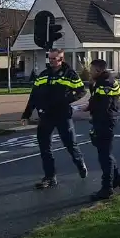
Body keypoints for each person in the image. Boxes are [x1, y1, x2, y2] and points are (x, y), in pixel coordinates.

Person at [20, 49, 88, 189]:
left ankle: (79, 163)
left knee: (70, 144)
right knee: (45, 148)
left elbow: (81, 90)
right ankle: (50, 177)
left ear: (61, 59)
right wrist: (26, 114)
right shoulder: (43, 75)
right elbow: (34, 95)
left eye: (53, 59)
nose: (50, 61)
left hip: (63, 115)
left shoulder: (70, 74)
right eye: (49, 58)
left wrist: (66, 100)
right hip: (45, 116)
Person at [85, 57, 120, 200]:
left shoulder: (104, 84)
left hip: (104, 121)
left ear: (99, 70)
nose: (89, 73)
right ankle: (117, 179)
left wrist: (92, 116)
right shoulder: (106, 81)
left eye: (91, 70)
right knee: (106, 152)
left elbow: (103, 105)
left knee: (104, 156)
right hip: (107, 120)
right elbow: (96, 100)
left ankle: (106, 189)